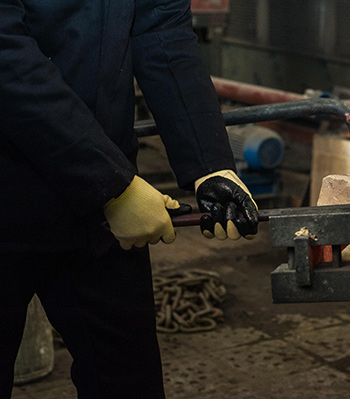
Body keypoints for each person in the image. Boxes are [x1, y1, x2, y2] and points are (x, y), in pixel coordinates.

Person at [0, 1, 258, 398]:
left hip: (99, 213)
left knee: (127, 383)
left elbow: (162, 29)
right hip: (22, 189)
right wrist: (111, 185)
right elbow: (6, 55)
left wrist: (209, 163)